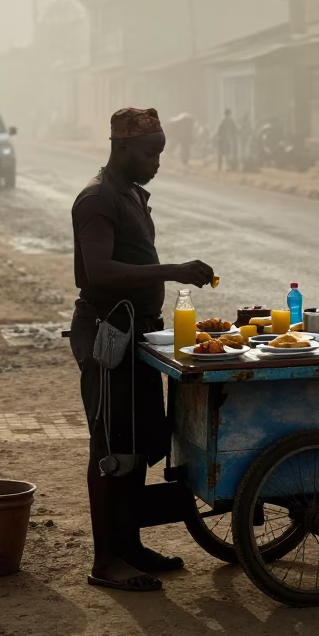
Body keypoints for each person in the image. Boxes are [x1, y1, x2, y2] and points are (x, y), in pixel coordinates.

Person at [68, 106, 214, 592]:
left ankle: (129, 546)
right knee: (111, 448)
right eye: (150, 152)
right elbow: (101, 270)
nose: (157, 161)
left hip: (136, 333)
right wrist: (171, 270)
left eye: (161, 152)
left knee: (134, 444)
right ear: (121, 147)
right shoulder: (97, 199)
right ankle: (106, 561)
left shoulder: (130, 194)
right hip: (109, 334)